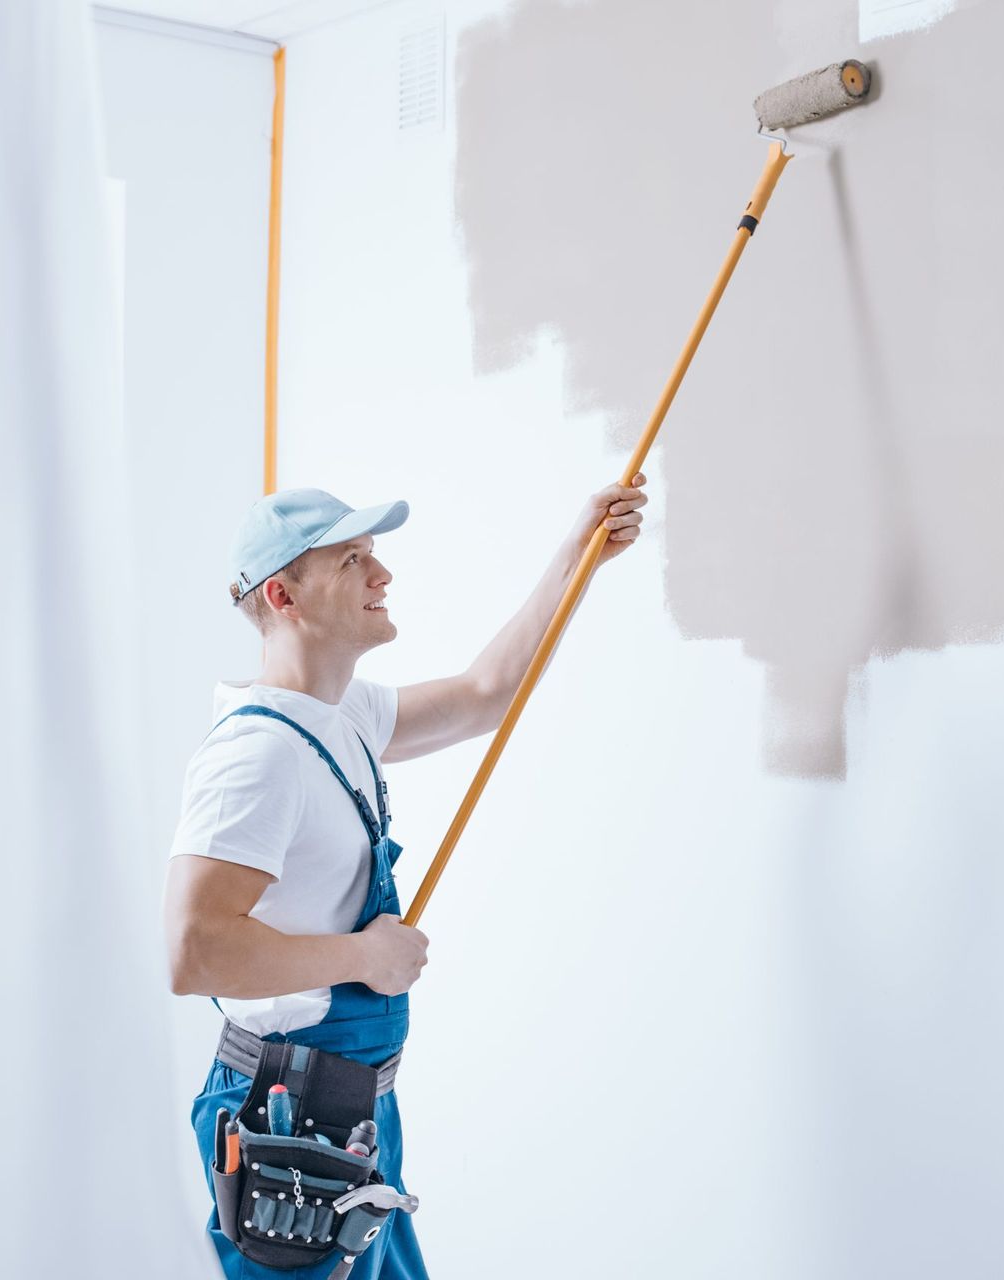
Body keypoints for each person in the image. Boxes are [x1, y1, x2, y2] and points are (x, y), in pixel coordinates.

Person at [165, 477, 647, 1277]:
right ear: (283, 594)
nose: (381, 576)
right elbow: (195, 951)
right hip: (283, 1124)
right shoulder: (256, 756)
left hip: (354, 1107)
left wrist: (580, 557)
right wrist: (364, 958)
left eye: (375, 556)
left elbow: (485, 694)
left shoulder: (340, 715)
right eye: (352, 560)